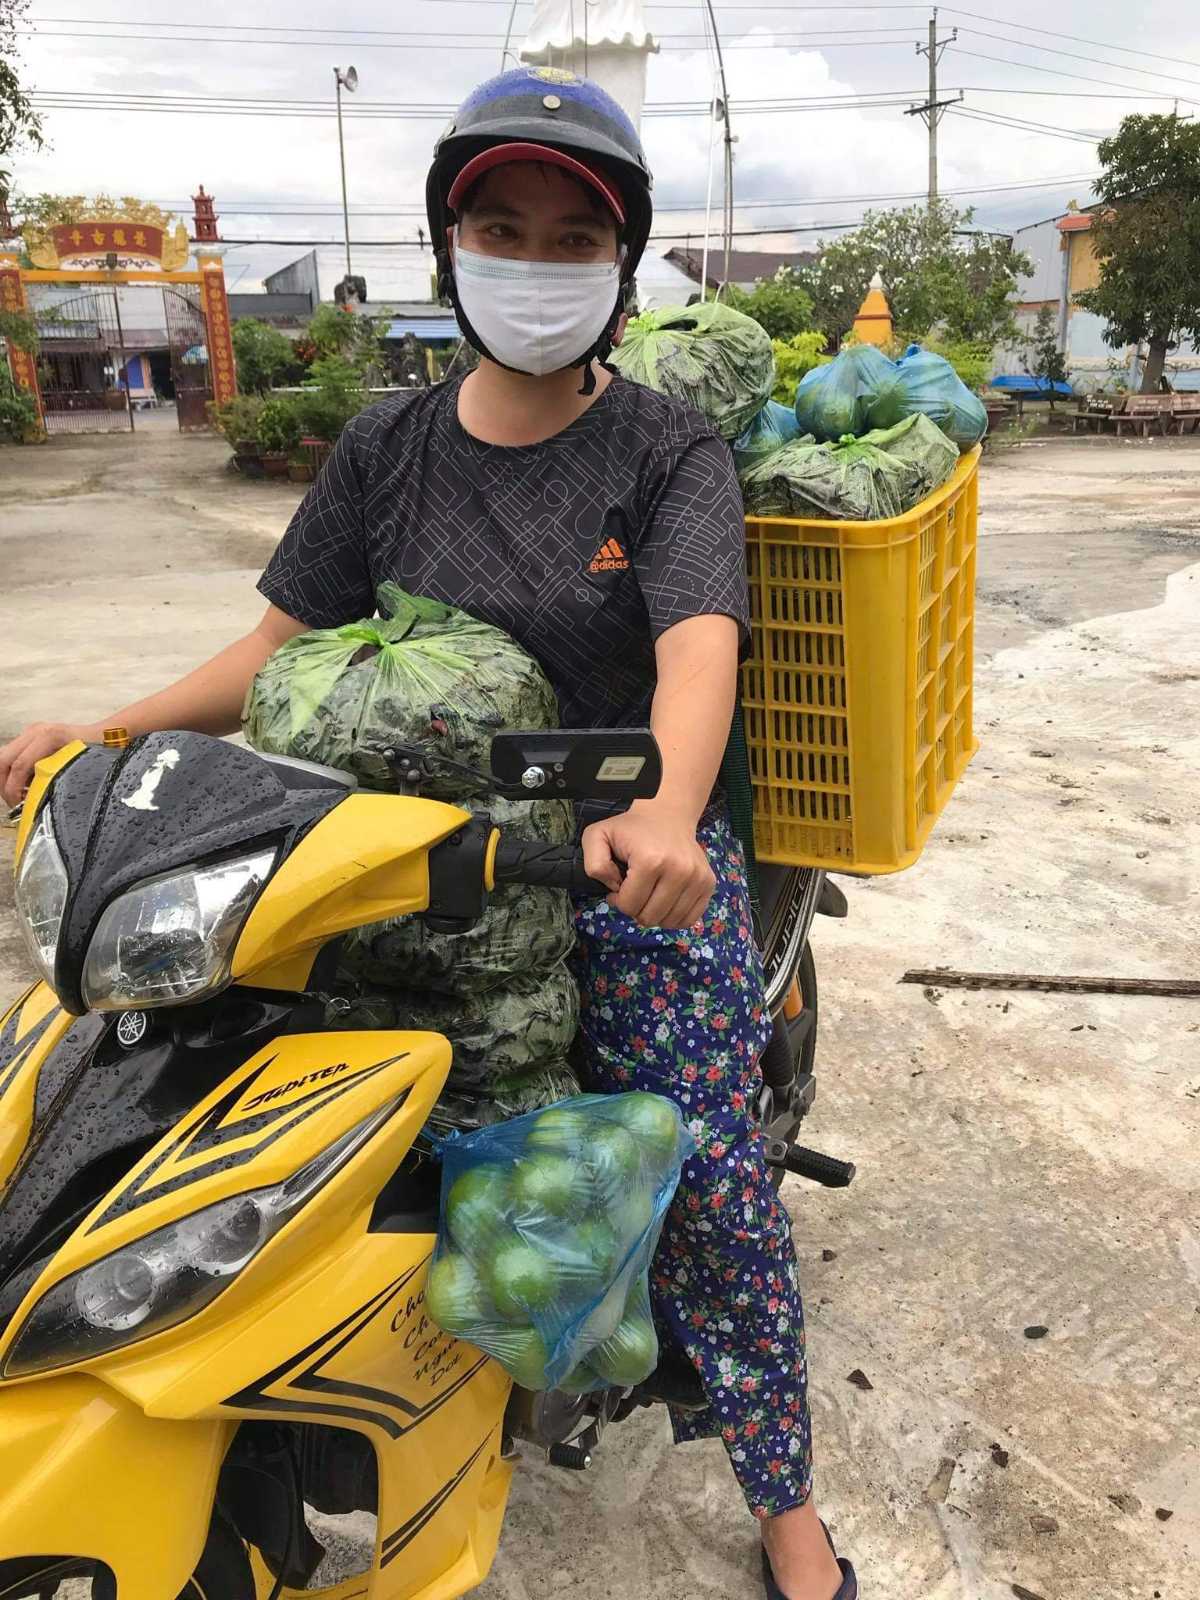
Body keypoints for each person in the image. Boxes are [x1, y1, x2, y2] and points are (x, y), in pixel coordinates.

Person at [0, 67, 855, 1600]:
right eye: (501, 229)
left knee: (713, 1184)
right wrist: (107, 733)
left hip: (609, 860)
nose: (534, 262)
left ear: (619, 265)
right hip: (393, 852)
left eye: (571, 238)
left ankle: (786, 1507)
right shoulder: (387, 446)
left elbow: (697, 651)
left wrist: (668, 815)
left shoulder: (666, 451)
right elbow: (272, 648)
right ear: (451, 249)